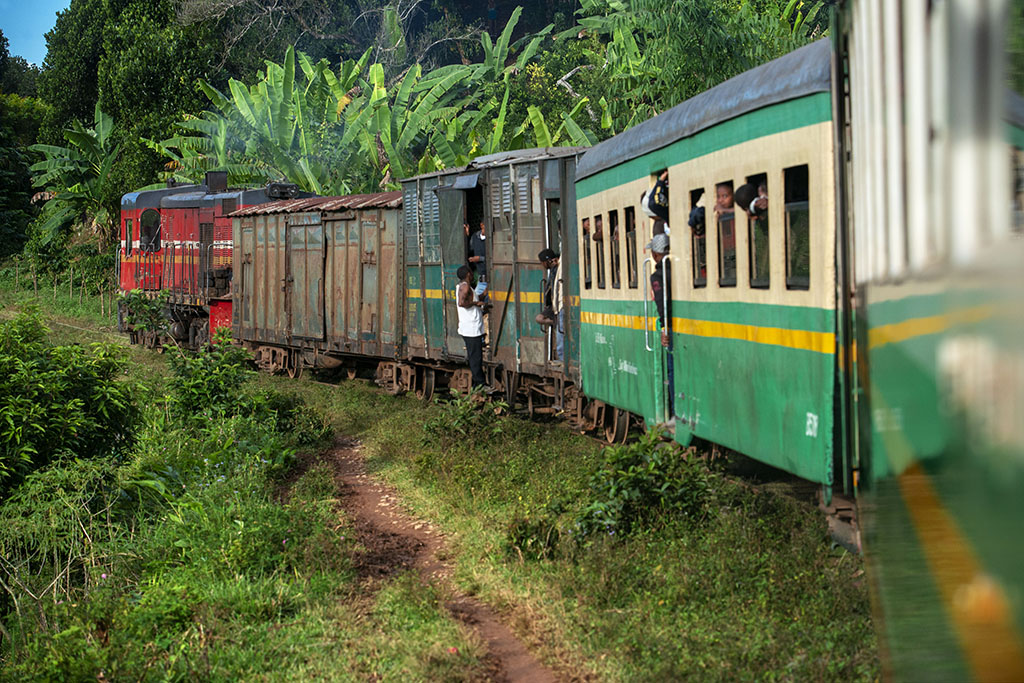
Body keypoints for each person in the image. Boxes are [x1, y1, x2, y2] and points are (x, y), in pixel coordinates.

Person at [647, 232, 674, 417]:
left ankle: (674, 413)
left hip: (672, 328)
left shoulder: (657, 276)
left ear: (656, 255)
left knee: (672, 371)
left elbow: (662, 305)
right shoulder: (679, 269)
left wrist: (665, 330)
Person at [456, 264, 486, 388]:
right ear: (468, 274)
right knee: (476, 358)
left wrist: (483, 295)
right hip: (471, 328)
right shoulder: (466, 287)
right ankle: (479, 384)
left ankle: (478, 383)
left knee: (475, 356)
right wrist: (476, 303)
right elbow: (462, 303)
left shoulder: (463, 286)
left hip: (470, 327)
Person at [537, 248, 564, 361]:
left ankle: (562, 358)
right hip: (554, 305)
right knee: (539, 318)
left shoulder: (559, 268)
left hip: (560, 304)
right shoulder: (552, 271)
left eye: (543, 262)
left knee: (560, 334)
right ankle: (555, 322)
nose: (542, 265)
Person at [464, 220, 488, 299]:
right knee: (475, 300)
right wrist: (467, 235)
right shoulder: (475, 237)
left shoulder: (493, 237)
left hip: (493, 279)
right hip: (482, 280)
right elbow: (469, 250)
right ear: (481, 225)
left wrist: (479, 258)